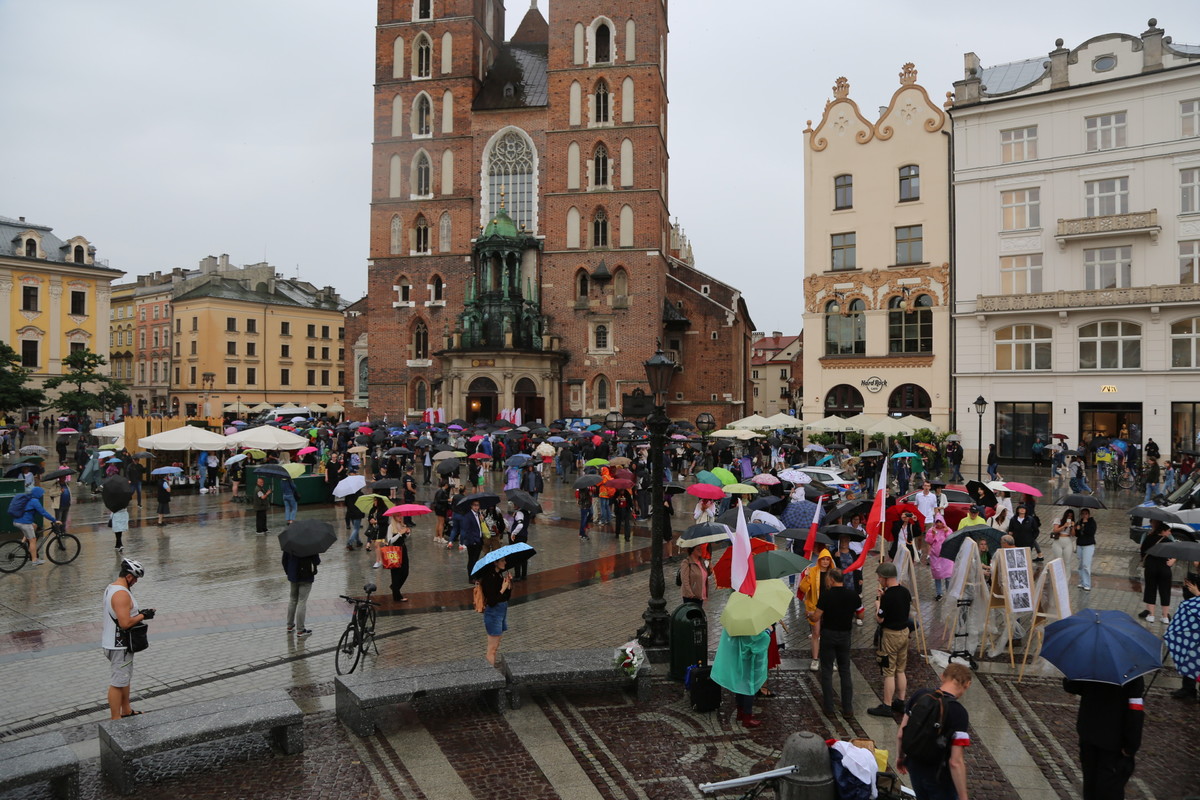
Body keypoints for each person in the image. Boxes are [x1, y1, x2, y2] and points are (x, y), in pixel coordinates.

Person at [895, 663, 973, 800]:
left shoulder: (920, 695)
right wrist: (963, 796)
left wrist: (901, 757)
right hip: (939, 777)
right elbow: (955, 761)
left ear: (942, 677)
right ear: (967, 684)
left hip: (915, 766)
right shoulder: (959, 712)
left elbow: (901, 733)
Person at [1064, 674, 1144, 800]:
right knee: (1109, 790)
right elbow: (1135, 711)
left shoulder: (1091, 665)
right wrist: (1131, 745)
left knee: (1090, 784)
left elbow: (1071, 686)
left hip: (1088, 734)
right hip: (1114, 742)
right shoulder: (1132, 674)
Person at [102, 559, 155, 719]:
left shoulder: (112, 587)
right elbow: (125, 623)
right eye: (136, 578)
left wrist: (140, 614)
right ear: (129, 576)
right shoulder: (121, 594)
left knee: (124, 678)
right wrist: (143, 615)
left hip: (115, 643)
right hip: (119, 645)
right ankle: (115, 720)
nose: (136, 582)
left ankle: (126, 710)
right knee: (117, 683)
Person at [809, 568, 863, 716]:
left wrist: (810, 614)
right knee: (845, 671)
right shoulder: (853, 595)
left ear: (831, 579)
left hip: (828, 635)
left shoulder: (826, 595)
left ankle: (829, 708)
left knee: (826, 671)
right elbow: (861, 613)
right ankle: (848, 708)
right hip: (845, 636)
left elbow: (816, 618)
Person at [868, 561, 912, 717]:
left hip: (890, 635)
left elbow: (880, 619)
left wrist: (878, 604)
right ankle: (900, 701)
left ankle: (887, 705)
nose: (879, 580)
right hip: (904, 633)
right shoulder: (905, 592)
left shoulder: (887, 598)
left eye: (880, 577)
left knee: (889, 671)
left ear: (886, 578)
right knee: (901, 669)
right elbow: (905, 612)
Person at [710, 627, 771, 729]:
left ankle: (740, 712)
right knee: (749, 688)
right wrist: (768, 631)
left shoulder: (736, 624)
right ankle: (747, 718)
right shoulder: (750, 625)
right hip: (749, 662)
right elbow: (757, 643)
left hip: (738, 659)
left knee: (740, 685)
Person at [798, 549, 835, 672]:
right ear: (819, 560)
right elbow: (803, 588)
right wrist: (807, 577)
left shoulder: (833, 573)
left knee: (829, 635)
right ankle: (815, 659)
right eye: (823, 559)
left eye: (827, 559)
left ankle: (829, 659)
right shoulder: (812, 571)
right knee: (816, 633)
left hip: (830, 608)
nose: (825, 561)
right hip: (815, 607)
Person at [1138, 521, 1176, 624]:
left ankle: (1151, 615)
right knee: (1165, 592)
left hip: (1151, 568)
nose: (1169, 533)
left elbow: (1142, 552)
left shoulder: (1148, 538)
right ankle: (1165, 617)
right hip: (1165, 569)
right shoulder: (1169, 541)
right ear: (1163, 531)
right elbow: (1175, 553)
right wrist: (1173, 560)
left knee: (1150, 589)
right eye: (1168, 531)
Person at [12, 486, 57, 566]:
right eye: (41, 494)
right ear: (38, 494)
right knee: (33, 540)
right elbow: (43, 513)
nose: (41, 495)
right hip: (25, 523)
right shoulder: (34, 501)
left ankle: (23, 543)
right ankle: (34, 560)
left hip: (16, 521)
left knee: (34, 526)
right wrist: (54, 520)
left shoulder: (27, 499)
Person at [479, 556, 512, 665]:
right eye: (502, 560)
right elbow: (492, 601)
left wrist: (508, 585)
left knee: (496, 646)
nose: (505, 562)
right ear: (495, 562)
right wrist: (502, 589)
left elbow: (505, 597)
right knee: (492, 649)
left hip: (501, 612)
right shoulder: (488, 578)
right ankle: (490, 675)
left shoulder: (498, 575)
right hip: (493, 614)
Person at [282, 549, 319, 637]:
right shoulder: (310, 544)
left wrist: (289, 572)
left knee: (293, 600)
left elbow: (284, 561)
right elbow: (317, 561)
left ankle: (289, 625)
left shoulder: (290, 543)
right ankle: (300, 630)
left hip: (293, 576)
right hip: (306, 576)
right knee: (302, 602)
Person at [925, 516, 955, 600]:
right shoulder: (931, 530)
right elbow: (928, 541)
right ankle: (939, 593)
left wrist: (946, 533)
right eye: (937, 522)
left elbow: (951, 540)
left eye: (940, 522)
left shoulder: (948, 530)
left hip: (946, 556)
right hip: (935, 556)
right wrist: (933, 534)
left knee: (948, 575)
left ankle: (949, 592)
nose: (938, 524)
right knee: (937, 576)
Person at [384, 516, 411, 602]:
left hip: (403, 550)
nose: (400, 517)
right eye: (398, 516)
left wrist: (407, 533)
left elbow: (405, 538)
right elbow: (389, 541)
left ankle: (395, 587)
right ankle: (397, 595)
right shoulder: (391, 526)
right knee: (396, 573)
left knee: (405, 571)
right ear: (394, 517)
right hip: (395, 551)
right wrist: (399, 533)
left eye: (401, 515)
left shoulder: (402, 525)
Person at [509, 503, 533, 581]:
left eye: (515, 504)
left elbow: (520, 525)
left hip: (518, 537)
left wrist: (513, 533)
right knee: (523, 556)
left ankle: (518, 575)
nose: (514, 505)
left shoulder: (519, 513)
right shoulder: (526, 513)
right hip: (524, 536)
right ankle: (524, 575)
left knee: (516, 556)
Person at [1076, 508, 1097, 591]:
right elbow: (1077, 535)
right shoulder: (1079, 522)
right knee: (1080, 564)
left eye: (1086, 514)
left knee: (1086, 564)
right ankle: (1082, 581)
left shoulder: (1092, 522)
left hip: (1088, 545)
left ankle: (1087, 583)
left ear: (1088, 515)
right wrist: (1077, 529)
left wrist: (1085, 525)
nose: (1084, 515)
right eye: (1083, 514)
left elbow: (1091, 532)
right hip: (1080, 544)